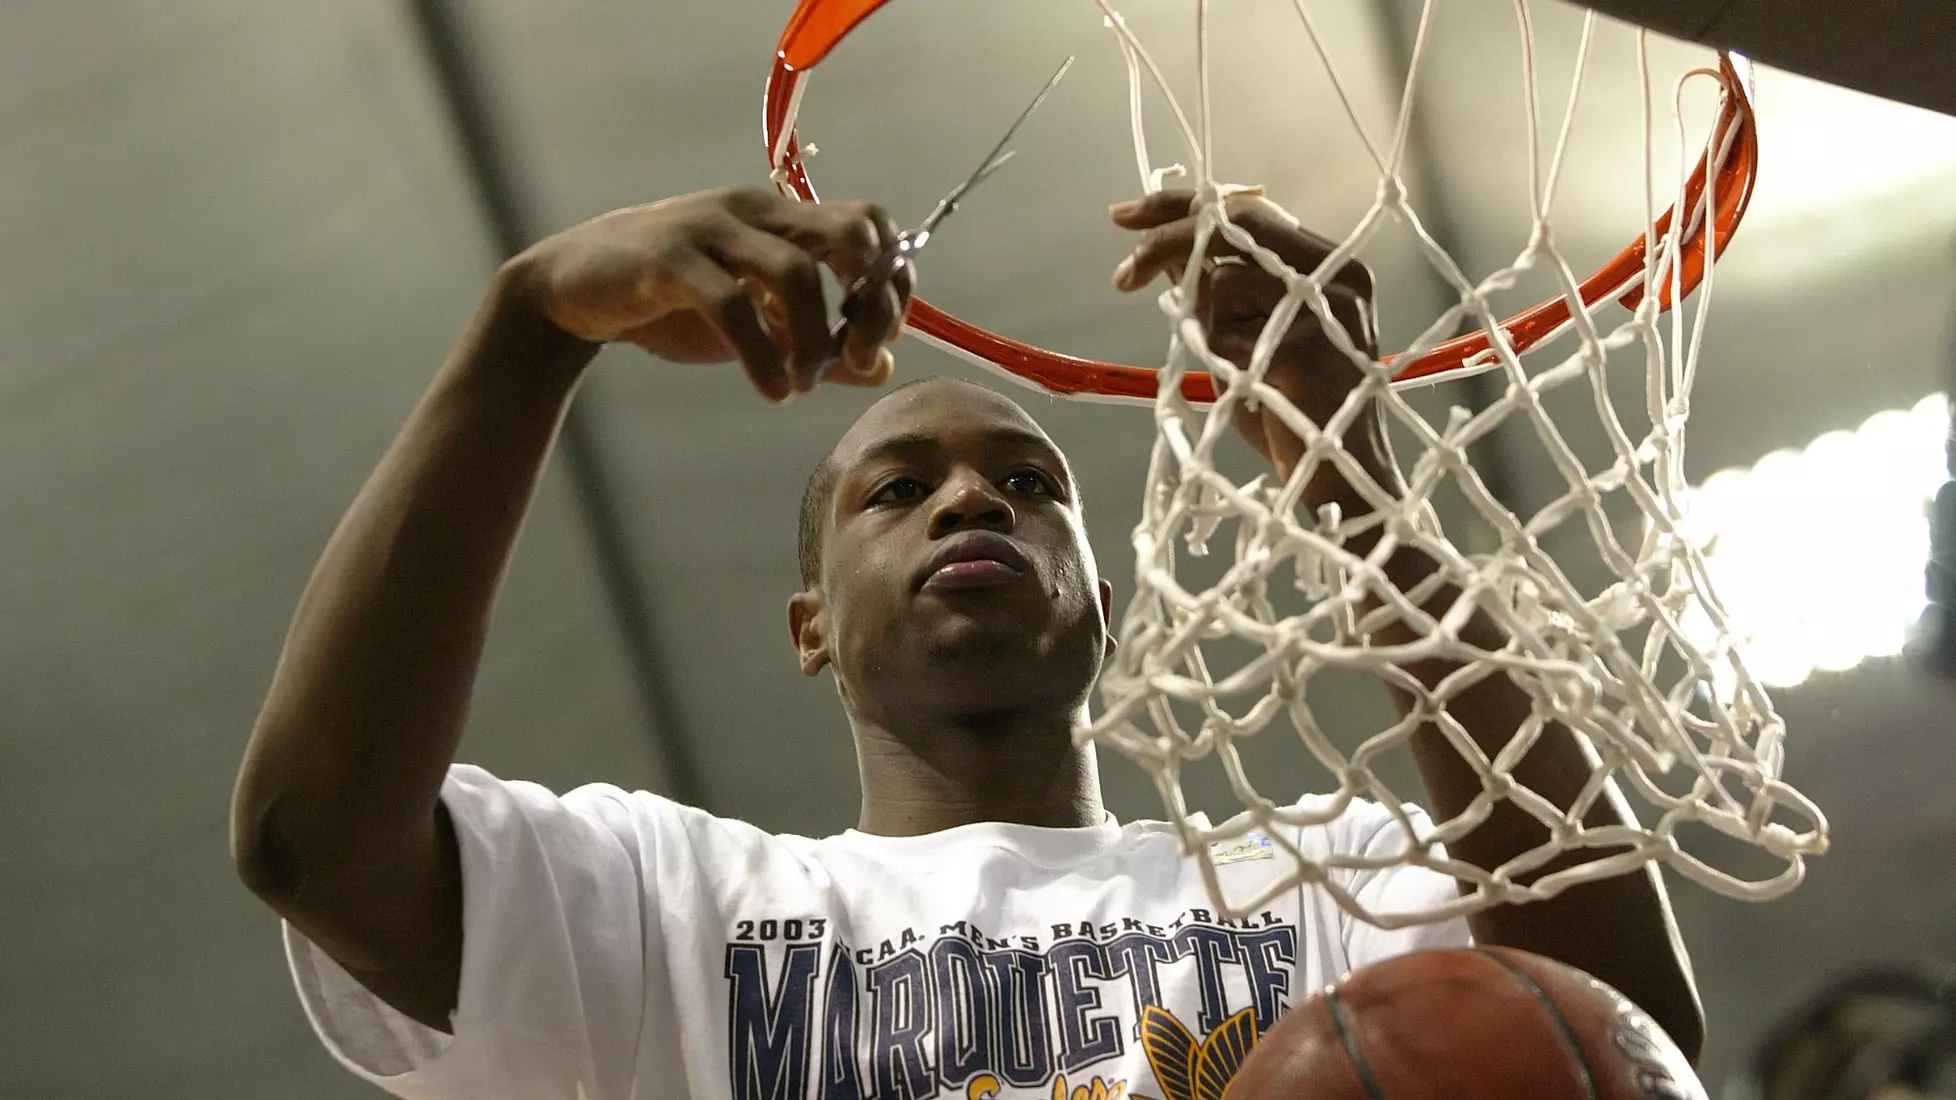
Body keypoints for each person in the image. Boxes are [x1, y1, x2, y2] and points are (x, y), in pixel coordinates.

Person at [231, 185, 1703, 1099]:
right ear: (811, 628)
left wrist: (1347, 466)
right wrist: (531, 326)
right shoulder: (678, 907)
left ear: (1106, 610)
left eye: (1027, 485)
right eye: (898, 487)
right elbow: (312, 845)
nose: (968, 502)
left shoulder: (1319, 878)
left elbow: (1633, 1028)